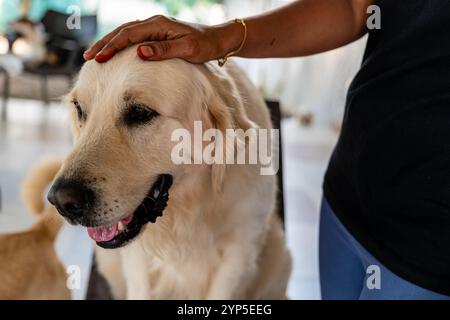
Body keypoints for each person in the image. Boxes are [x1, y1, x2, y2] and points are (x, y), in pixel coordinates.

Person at [83, 0, 450, 300]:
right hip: (349, 193)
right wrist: (219, 37)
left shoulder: (238, 139)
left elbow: (241, 241)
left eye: (140, 114)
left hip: (431, 241)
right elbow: (356, 6)